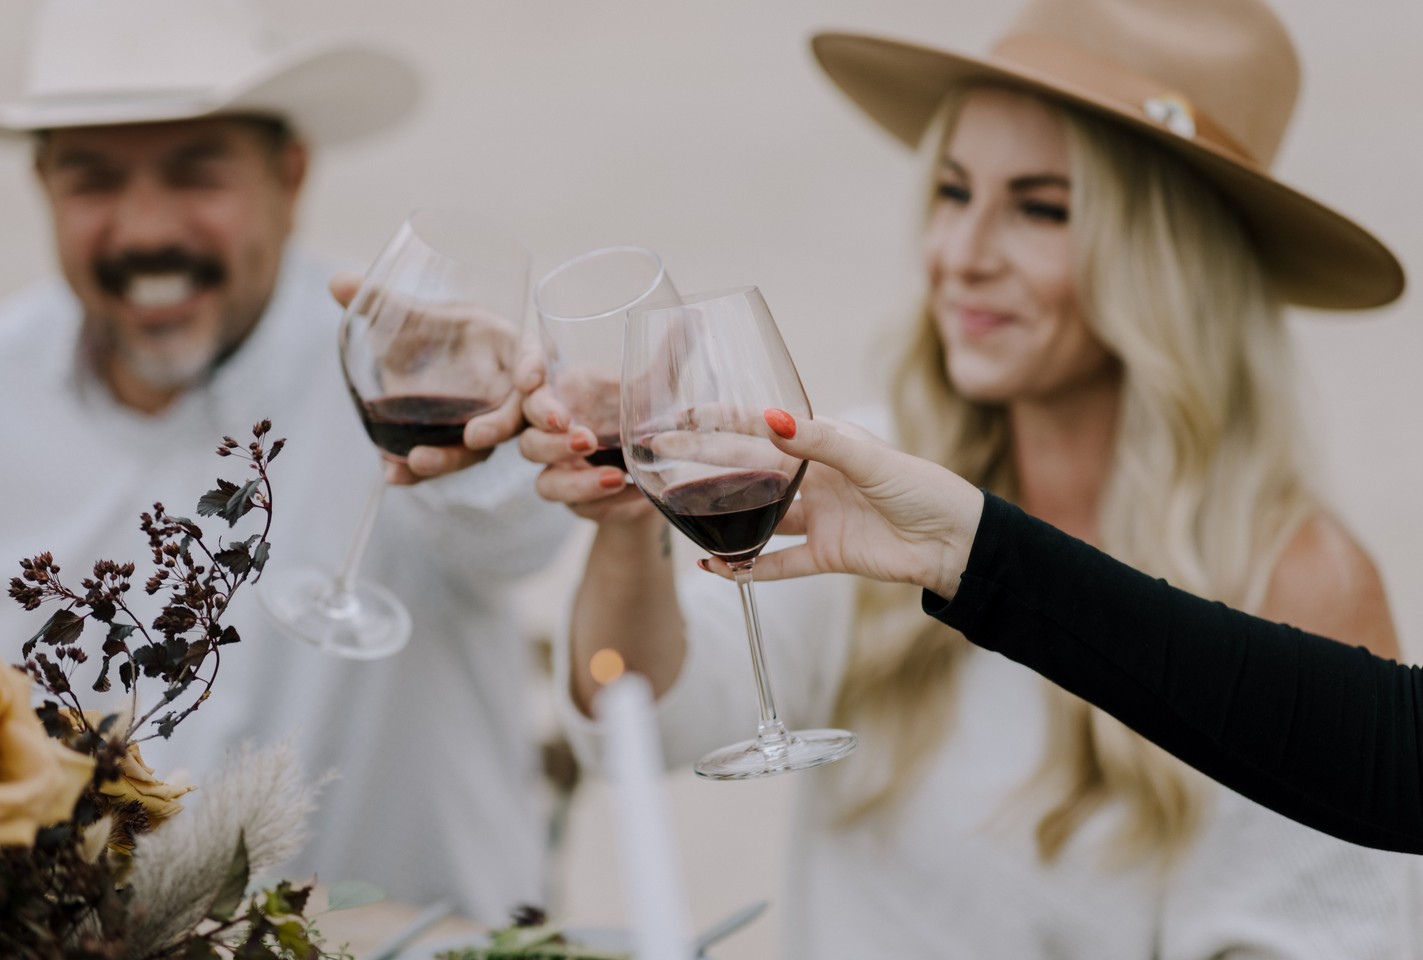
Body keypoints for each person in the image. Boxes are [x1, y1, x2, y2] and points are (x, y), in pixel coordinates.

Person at [521, 0, 1416, 955]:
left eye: (1039, 207)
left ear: (1168, 259)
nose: (960, 254)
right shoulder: (871, 474)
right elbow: (647, 723)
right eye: (952, 192)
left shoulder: (1296, 578)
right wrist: (627, 527)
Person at [0, 0, 572, 920]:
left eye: (195, 174)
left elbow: (519, 536)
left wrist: (497, 432)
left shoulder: (406, 364)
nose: (144, 230)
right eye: (93, 181)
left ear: (289, 177)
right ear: (44, 187)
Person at [707, 411, 1423, 856]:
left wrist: (980, 556)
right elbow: (1393, 751)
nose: (966, 255)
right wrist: (972, 551)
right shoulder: (882, 449)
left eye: (1040, 209)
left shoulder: (1298, 563)